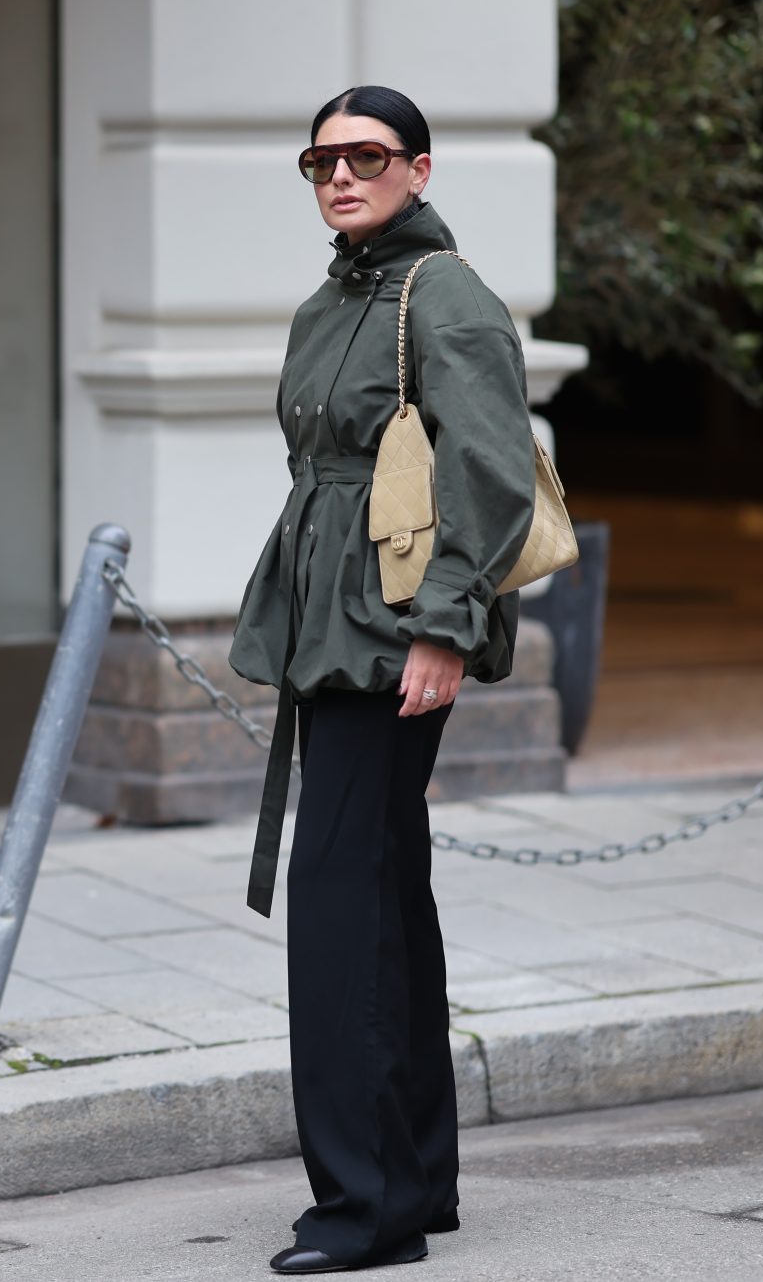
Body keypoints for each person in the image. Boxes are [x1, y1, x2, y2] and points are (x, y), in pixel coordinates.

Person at [228, 85, 538, 1274]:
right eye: (320, 161)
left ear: (417, 166)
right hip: (331, 630)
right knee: (383, 895)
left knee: (340, 907)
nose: (339, 177)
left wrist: (445, 630)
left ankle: (361, 1211)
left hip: (395, 633)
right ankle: (415, 1181)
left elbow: (493, 474)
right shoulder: (332, 297)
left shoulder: (442, 295)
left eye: (364, 157)